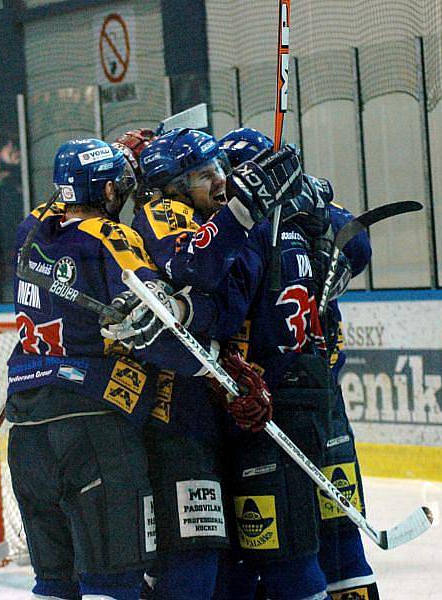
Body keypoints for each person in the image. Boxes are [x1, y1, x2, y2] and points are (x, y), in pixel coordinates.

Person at [5, 138, 234, 600]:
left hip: (27, 431)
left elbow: (64, 199)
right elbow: (157, 320)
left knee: (54, 586)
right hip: (93, 428)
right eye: (121, 185)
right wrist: (209, 362)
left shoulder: (29, 231)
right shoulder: (112, 236)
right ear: (109, 190)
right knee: (112, 582)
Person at [102, 127, 303, 599]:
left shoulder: (215, 221)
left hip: (202, 418)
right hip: (170, 419)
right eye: (202, 174)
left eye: (220, 169)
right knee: (192, 554)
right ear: (172, 185)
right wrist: (243, 214)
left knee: (222, 558)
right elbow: (196, 268)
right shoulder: (163, 211)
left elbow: (227, 303)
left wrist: (286, 214)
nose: (219, 181)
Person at [218, 128, 378, 600]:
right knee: (341, 544)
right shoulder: (309, 223)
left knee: (285, 554)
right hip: (326, 403)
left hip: (275, 410)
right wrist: (319, 208)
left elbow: (220, 307)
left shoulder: (255, 234)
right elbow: (359, 246)